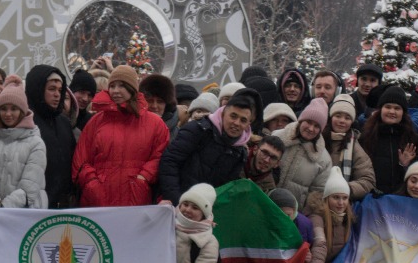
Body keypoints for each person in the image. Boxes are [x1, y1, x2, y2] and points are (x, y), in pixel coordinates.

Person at [73, 66, 169, 207]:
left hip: (136, 198)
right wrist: (92, 183)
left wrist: (143, 177)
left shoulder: (155, 123)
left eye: (122, 86)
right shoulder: (96, 121)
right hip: (98, 199)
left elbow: (160, 155)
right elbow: (81, 160)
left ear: (133, 88)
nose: (115, 91)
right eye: (112, 86)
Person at [159, 88, 260, 203]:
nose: (236, 123)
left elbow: (224, 189)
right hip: (176, 202)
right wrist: (176, 200)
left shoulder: (240, 153)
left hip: (203, 212)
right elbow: (170, 162)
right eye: (233, 116)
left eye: (243, 120)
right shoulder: (197, 129)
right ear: (222, 114)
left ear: (248, 124)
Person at [0, 75, 48, 208]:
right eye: (4, 109)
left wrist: (4, 207)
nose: (8, 114)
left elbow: (30, 185)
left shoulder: (36, 144)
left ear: (22, 111)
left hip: (26, 214)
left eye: (14, 109)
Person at [23, 64, 75, 208]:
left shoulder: (64, 122)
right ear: (38, 89)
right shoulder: (26, 121)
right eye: (51, 89)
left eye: (60, 89)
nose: (57, 94)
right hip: (37, 205)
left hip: (63, 205)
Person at [360, 84, 418, 195]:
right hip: (373, 199)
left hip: (400, 199)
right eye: (388, 107)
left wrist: (405, 165)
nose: (392, 111)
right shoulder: (367, 136)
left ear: (403, 112)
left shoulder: (411, 138)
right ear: (380, 109)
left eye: (397, 108)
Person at [275, 97, 334, 208]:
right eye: (309, 122)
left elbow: (317, 194)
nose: (311, 129)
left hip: (292, 213)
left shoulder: (324, 160)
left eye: (317, 126)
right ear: (301, 120)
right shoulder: (277, 137)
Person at [324, 96, 375, 201]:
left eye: (347, 118)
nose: (342, 121)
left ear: (352, 121)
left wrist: (345, 189)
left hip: (339, 203)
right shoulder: (318, 138)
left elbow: (368, 180)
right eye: (338, 116)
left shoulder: (354, 146)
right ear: (330, 117)